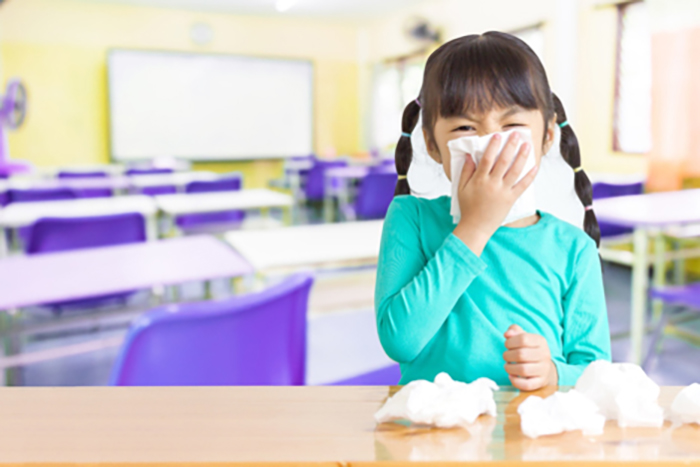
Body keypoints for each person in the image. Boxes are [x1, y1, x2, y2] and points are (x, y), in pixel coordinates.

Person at [375, 32, 611, 391]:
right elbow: (400, 341)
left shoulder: (573, 249)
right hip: (431, 435)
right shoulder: (411, 219)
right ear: (432, 145)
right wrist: (474, 227)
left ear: (547, 137)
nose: (491, 146)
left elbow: (596, 371)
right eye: (465, 128)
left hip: (530, 435)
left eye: (512, 125)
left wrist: (551, 372)